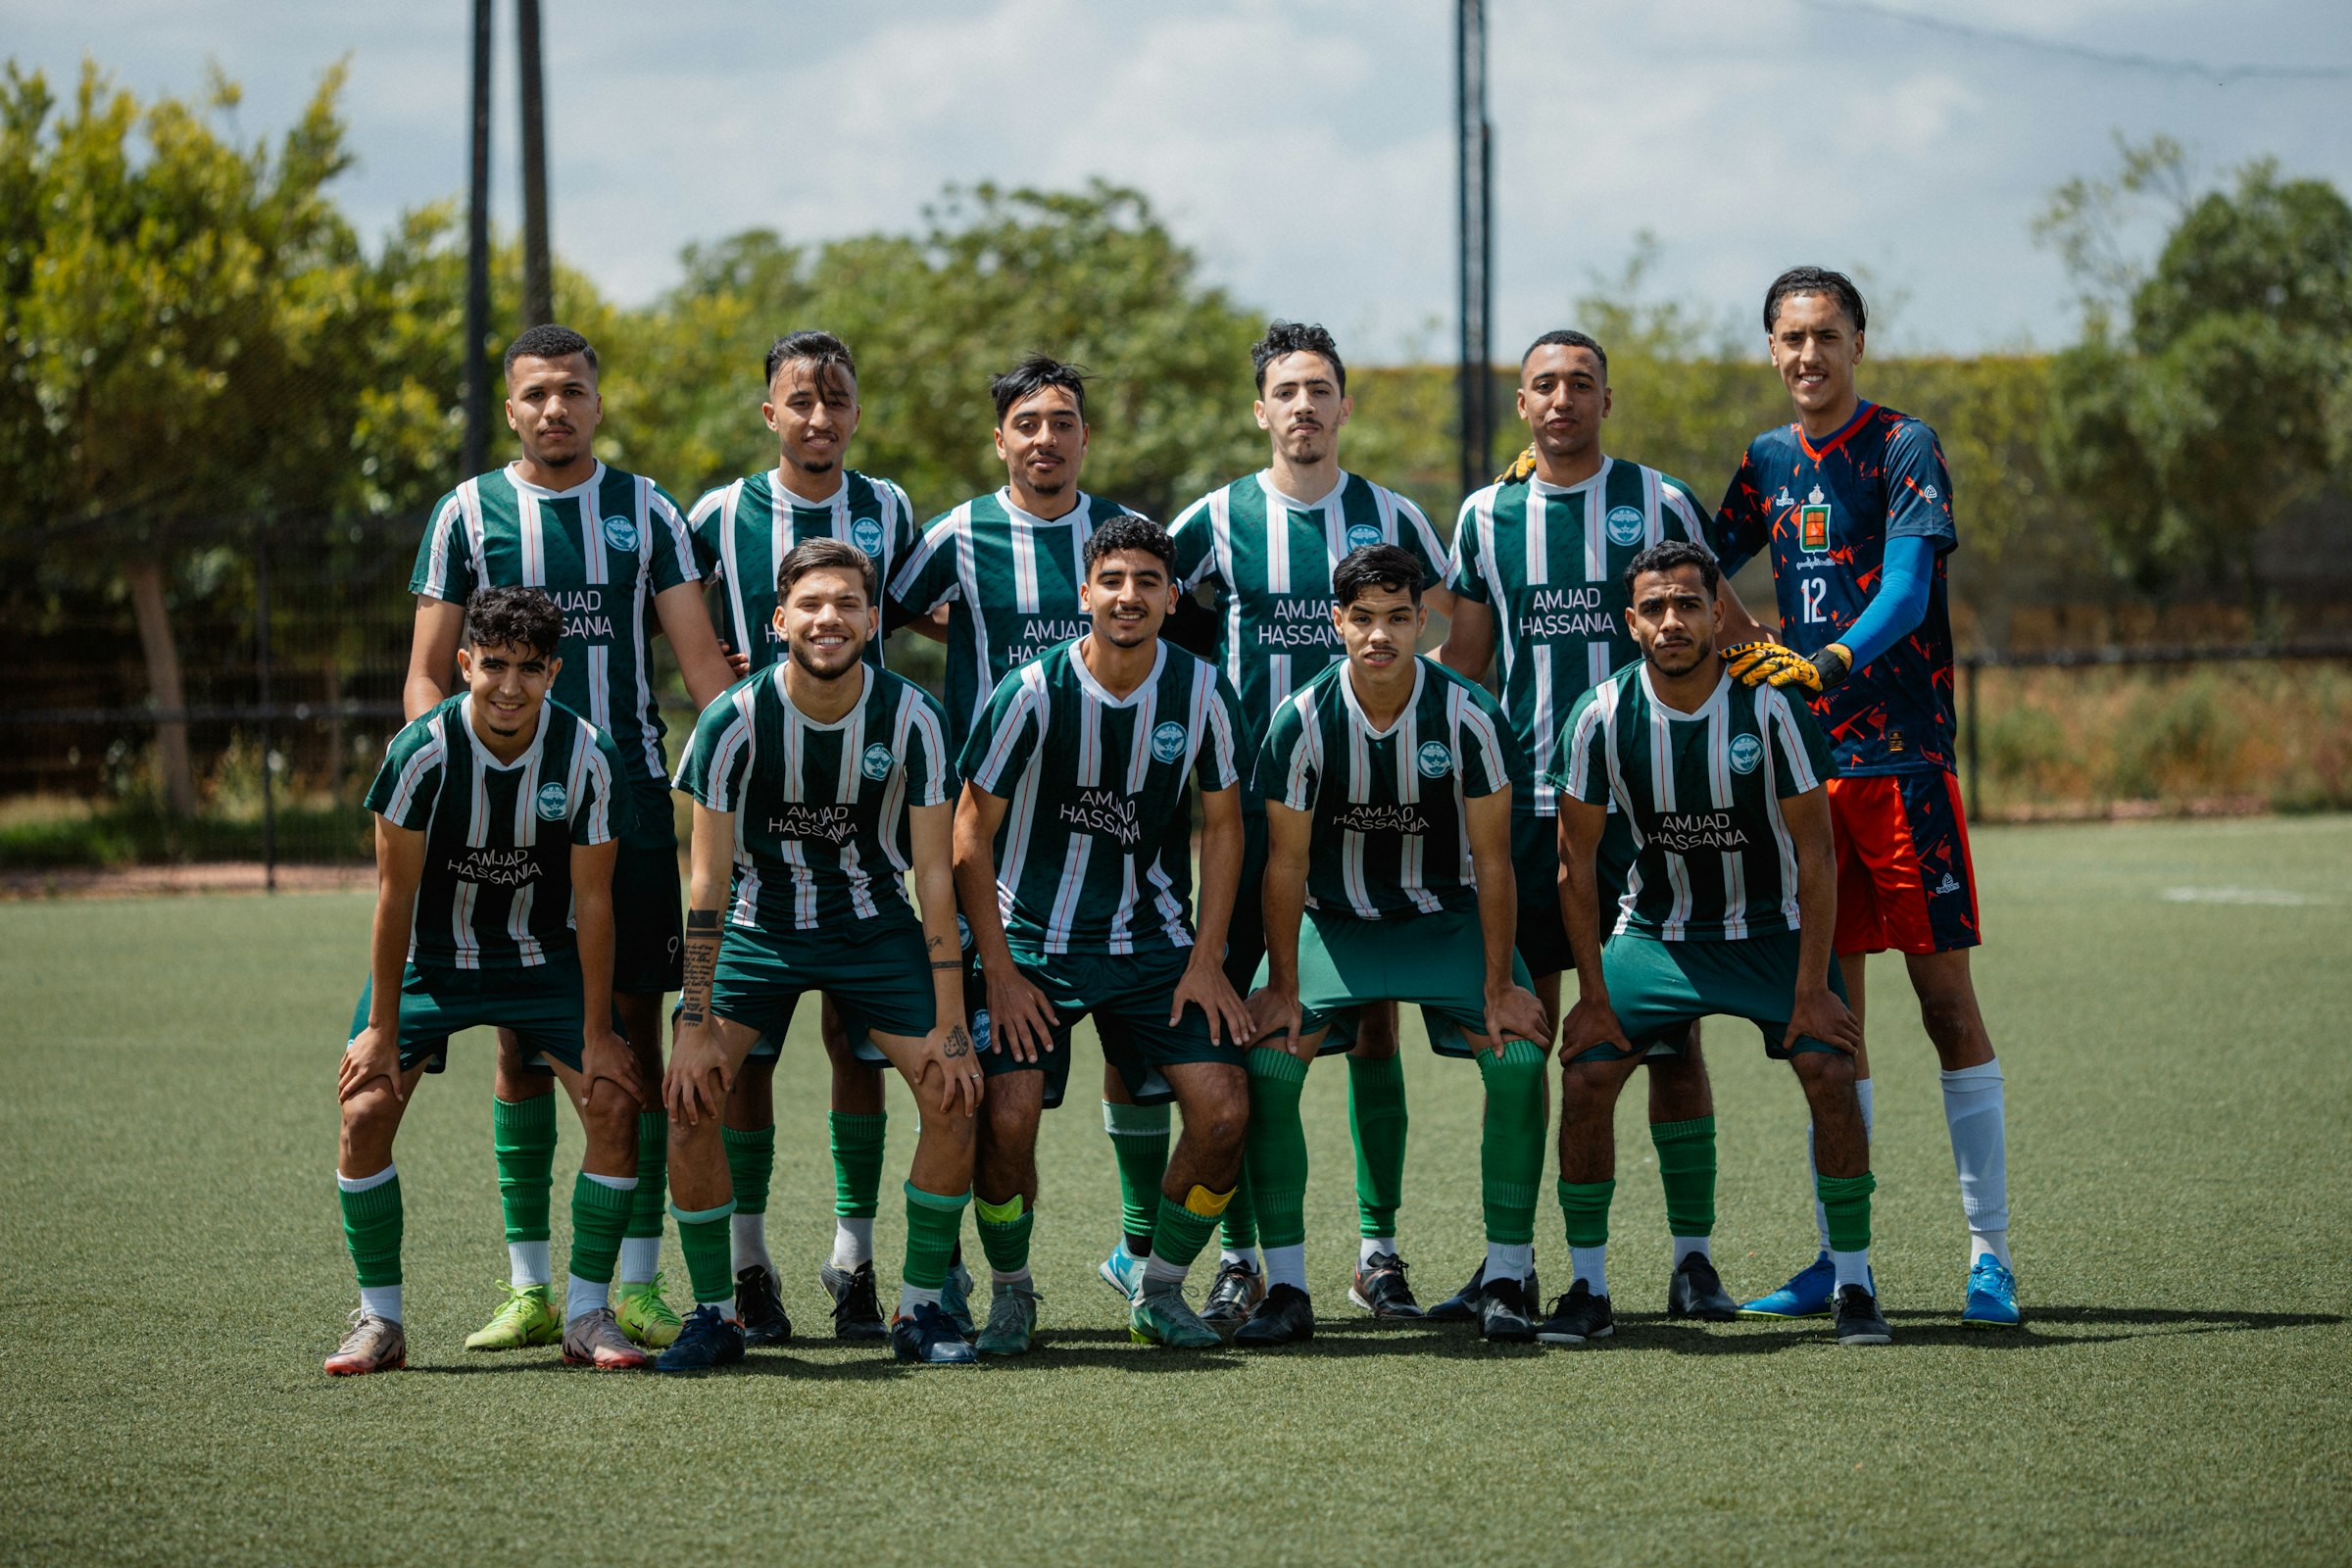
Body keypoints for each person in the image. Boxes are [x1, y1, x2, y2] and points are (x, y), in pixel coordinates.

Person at [405, 323, 737, 1352]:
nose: (557, 408)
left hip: (628, 806)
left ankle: (632, 1283)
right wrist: (444, 785)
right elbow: (425, 674)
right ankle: (530, 1285)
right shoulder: (467, 512)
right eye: (538, 393)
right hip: (501, 817)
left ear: (600, 402)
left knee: (627, 1034)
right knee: (517, 1037)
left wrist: (741, 781)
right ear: (512, 408)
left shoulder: (649, 514)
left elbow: (703, 676)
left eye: (574, 391)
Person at [1439, 328, 1771, 1322]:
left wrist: (1768, 728)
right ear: (1523, 405)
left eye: (1581, 383)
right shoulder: (1487, 514)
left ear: (1606, 401)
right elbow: (1466, 663)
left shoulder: (1660, 501)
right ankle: (1516, 1262)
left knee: (1668, 1037)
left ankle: (1693, 1258)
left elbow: (1731, 633)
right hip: (1534, 809)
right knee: (1528, 1037)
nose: (1562, 399)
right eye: (1544, 384)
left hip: (1651, 812)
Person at [1708, 267, 2017, 1328]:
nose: (1807, 356)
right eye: (1790, 338)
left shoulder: (1904, 446)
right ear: (1771, 349)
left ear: (1857, 343)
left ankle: (1991, 1258)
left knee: (1945, 1009)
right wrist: (1560, 482)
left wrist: (1825, 659)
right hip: (1806, 776)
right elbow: (1687, 561)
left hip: (1903, 767)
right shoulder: (1766, 460)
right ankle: (1846, 1263)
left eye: (1825, 336)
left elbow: (1906, 588)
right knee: (1831, 1022)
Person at [1165, 320, 1456, 1325]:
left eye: (1319, 388)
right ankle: (1245, 1253)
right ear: (1261, 410)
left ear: (1342, 405)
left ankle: (1377, 1249)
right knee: (1250, 1025)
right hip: (1251, 811)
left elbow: (1447, 625)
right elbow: (1163, 625)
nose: (1303, 405)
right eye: (1285, 390)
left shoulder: (1393, 516)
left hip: (1375, 812)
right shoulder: (1212, 517)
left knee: (1373, 1022)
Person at [1544, 540, 1889, 1347]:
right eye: (1656, 608)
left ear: (1716, 614)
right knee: (1589, 1076)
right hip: (1658, 935)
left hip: (1772, 930)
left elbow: (1816, 854)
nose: (1673, 621)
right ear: (1631, 623)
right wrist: (1594, 997)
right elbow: (1576, 865)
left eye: (1689, 605)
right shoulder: (1600, 716)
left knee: (1830, 1065)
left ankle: (1854, 1280)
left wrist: (1813, 990)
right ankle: (1588, 1288)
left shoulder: (1769, 706)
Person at [886, 354, 1167, 1319]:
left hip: (1118, 839)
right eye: (1027, 423)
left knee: (1141, 1057)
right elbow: (888, 614)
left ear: (1084, 436)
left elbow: (1186, 633)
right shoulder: (958, 533)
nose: (1045, 438)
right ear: (1000, 438)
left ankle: (1140, 1250)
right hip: (991, 843)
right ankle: (974, 1266)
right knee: (983, 1076)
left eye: (1063, 422)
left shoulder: (1123, 541)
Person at [684, 329, 950, 1346]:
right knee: (735, 1063)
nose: (818, 418)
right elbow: (678, 623)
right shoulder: (716, 514)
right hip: (757, 829)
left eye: (835, 401)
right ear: (771, 413)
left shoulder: (886, 509)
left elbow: (928, 612)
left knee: (859, 1046)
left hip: (871, 829)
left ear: (854, 410)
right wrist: (749, 727)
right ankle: (747, 1268)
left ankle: (855, 1257)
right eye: (800, 401)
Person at [657, 538, 981, 1371]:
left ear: (873, 622)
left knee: (953, 1091)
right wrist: (692, 1022)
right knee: (690, 1096)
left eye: (844, 604)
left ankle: (918, 1312)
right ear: (778, 622)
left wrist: (952, 1022)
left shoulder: (913, 716)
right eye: (809, 603)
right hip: (759, 930)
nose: (827, 617)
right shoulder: (731, 720)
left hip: (873, 927)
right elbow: (705, 886)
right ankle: (716, 1315)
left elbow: (936, 881)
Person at [327, 587, 650, 1374]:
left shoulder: (588, 756)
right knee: (365, 1109)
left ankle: (585, 1313)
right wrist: (380, 1027)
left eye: (530, 669)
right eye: (495, 666)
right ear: (465, 663)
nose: (510, 687)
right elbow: (393, 896)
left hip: (542, 958)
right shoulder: (419, 755)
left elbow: (594, 899)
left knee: (615, 1102)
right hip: (432, 961)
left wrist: (601, 1031)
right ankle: (380, 1320)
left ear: (554, 673)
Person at [1238, 545, 1553, 1347]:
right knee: (1270, 1064)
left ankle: (1509, 1278)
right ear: (1337, 622)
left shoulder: (1469, 714)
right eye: (1364, 619)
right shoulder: (1302, 719)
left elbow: (1493, 861)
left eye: (1399, 618)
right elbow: (1286, 864)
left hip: (1443, 917)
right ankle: (1290, 1288)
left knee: (1517, 1060)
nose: (1380, 635)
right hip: (1335, 924)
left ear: (1424, 621)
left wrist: (1500, 984)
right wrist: (1279, 983)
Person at [953, 516, 1253, 1353]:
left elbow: (1224, 827)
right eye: (1113, 580)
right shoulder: (1030, 691)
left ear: (1172, 596)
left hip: (1152, 945)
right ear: (1085, 593)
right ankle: (1011, 1292)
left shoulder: (1200, 691)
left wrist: (1208, 959)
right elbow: (969, 835)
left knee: (1226, 1112)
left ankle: (1157, 1287)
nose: (1130, 597)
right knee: (1008, 1117)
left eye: (1148, 582)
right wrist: (1003, 973)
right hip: (1032, 946)